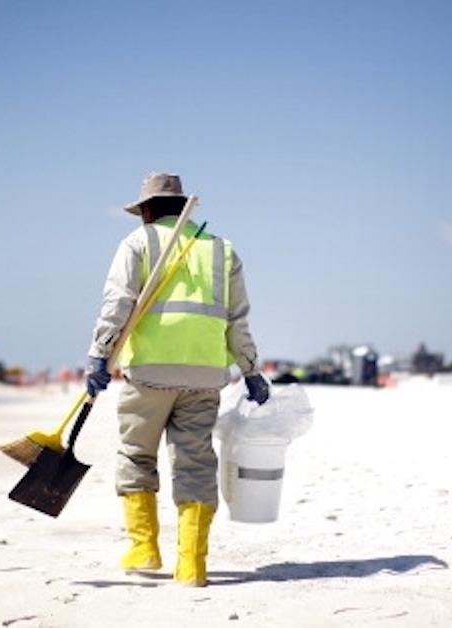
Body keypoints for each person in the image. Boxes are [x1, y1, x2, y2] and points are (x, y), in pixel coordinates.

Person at [85, 172, 269, 587]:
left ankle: (145, 548)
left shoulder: (138, 243)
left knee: (136, 455)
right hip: (204, 376)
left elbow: (117, 304)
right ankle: (192, 566)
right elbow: (237, 320)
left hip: (148, 373)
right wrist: (251, 369)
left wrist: (98, 356)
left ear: (147, 210)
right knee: (196, 465)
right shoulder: (222, 251)